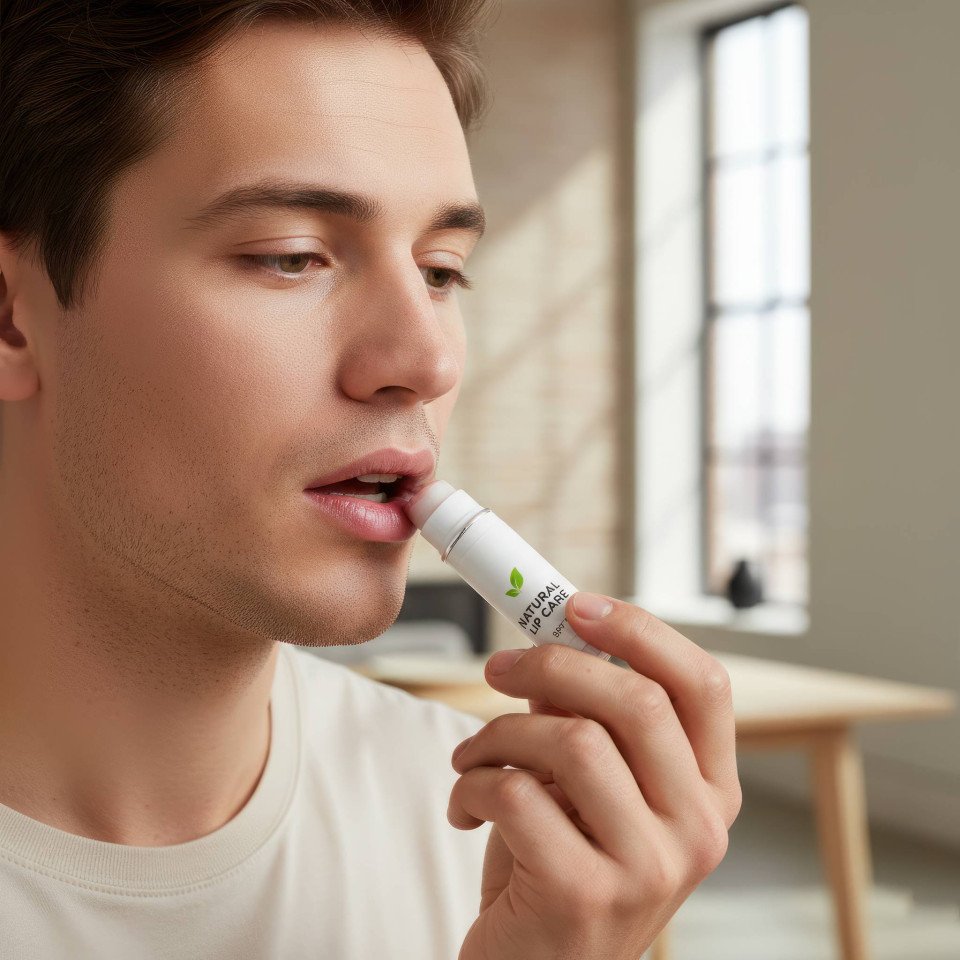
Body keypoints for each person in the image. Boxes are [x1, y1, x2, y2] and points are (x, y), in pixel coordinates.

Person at [0, 2, 741, 958]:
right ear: (15, 317)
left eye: (441, 270)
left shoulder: (502, 839)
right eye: (292, 258)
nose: (424, 360)